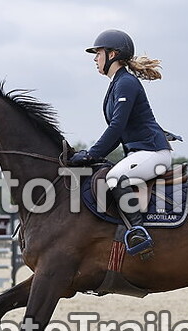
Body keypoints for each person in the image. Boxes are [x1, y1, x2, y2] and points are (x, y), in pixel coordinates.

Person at [69, 29, 174, 257]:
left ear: (113, 54)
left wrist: (90, 154)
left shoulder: (126, 82)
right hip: (140, 152)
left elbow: (116, 128)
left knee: (114, 177)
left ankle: (139, 233)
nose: (95, 58)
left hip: (153, 152)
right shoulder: (117, 83)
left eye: (98, 53)